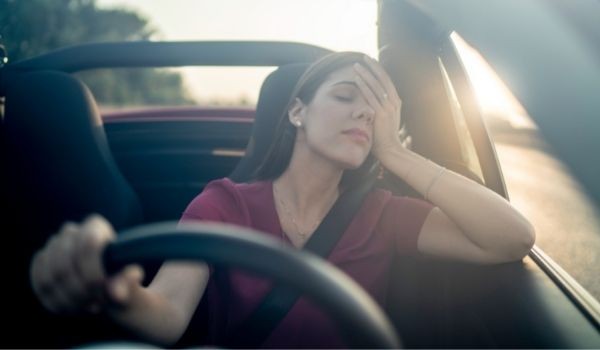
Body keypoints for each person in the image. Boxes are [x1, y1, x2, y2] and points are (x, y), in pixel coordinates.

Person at [29, 52, 535, 348]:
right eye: (344, 97)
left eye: (377, 111)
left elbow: (512, 238)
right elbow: (167, 312)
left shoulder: (386, 213)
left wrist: (394, 153)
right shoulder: (224, 205)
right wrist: (120, 294)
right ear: (297, 111)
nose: (363, 115)